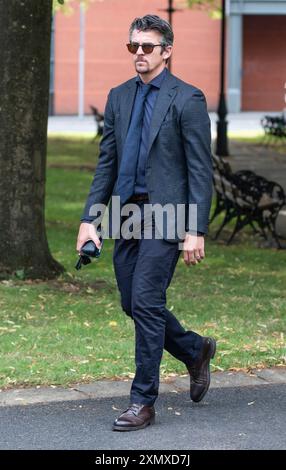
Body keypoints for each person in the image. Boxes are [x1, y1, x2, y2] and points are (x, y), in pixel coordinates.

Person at [76, 14, 216, 432]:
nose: (139, 53)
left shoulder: (187, 98)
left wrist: (196, 229)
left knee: (147, 301)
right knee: (131, 303)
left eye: (147, 47)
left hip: (168, 216)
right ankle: (194, 350)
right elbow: (107, 163)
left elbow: (199, 170)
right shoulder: (119, 97)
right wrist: (90, 219)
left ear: (166, 51)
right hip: (126, 214)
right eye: (133, 46)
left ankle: (143, 401)